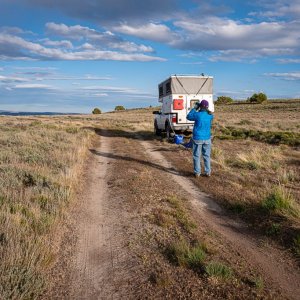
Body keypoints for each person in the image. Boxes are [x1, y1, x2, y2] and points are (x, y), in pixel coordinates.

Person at [187, 99, 214, 177]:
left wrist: (195, 108)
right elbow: (209, 113)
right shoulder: (210, 116)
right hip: (207, 138)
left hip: (198, 138)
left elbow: (188, 116)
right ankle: (208, 172)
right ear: (207, 107)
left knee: (196, 155)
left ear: (200, 106)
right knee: (207, 155)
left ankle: (197, 172)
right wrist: (204, 108)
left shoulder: (197, 114)